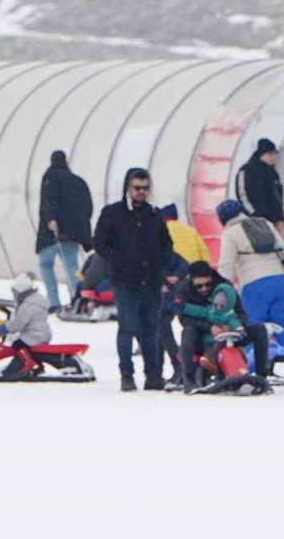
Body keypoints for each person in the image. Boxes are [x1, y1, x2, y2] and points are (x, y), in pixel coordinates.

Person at [93, 167, 174, 391]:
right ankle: (126, 374)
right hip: (125, 280)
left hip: (151, 281)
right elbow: (99, 242)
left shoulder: (154, 214)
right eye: (137, 188)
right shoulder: (113, 213)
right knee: (127, 327)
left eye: (145, 188)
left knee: (150, 329)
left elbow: (166, 244)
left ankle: (154, 375)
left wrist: (162, 265)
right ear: (128, 188)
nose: (141, 192)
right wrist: (118, 260)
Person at [215, 198, 284, 347]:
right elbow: (283, 250)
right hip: (282, 281)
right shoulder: (264, 224)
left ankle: (253, 366)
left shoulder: (230, 234)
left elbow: (226, 267)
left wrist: (221, 292)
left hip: (255, 284)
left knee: (252, 327)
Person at [175, 261, 270, 394]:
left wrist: (232, 325)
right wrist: (209, 327)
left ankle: (261, 376)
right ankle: (189, 379)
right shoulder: (183, 290)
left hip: (230, 333)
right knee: (188, 332)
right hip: (202, 336)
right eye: (199, 286)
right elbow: (184, 319)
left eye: (207, 285)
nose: (204, 289)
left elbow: (241, 313)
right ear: (191, 280)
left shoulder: (224, 287)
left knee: (259, 329)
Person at [35, 150, 93, 312]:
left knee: (46, 264)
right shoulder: (77, 181)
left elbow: (48, 200)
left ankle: (54, 302)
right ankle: (77, 300)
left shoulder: (50, 177)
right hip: (72, 233)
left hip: (51, 233)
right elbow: (88, 207)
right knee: (71, 266)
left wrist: (51, 219)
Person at [0, 272, 52, 378]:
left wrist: (4, 328)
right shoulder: (35, 301)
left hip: (35, 335)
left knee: (17, 345)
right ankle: (37, 365)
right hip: (40, 333)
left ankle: (27, 363)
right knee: (29, 349)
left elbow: (19, 322)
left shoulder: (28, 305)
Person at [235, 138, 284, 232]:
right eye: (270, 154)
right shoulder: (247, 170)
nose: (273, 157)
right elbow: (243, 195)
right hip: (255, 221)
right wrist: (255, 215)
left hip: (274, 221)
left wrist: (280, 217)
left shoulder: (273, 173)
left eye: (274, 154)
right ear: (261, 154)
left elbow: (278, 197)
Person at [157, 251, 191, 384]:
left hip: (164, 301)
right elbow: (184, 265)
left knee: (163, 335)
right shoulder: (167, 252)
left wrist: (167, 279)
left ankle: (178, 366)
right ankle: (161, 370)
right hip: (167, 299)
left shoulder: (160, 252)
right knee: (160, 335)